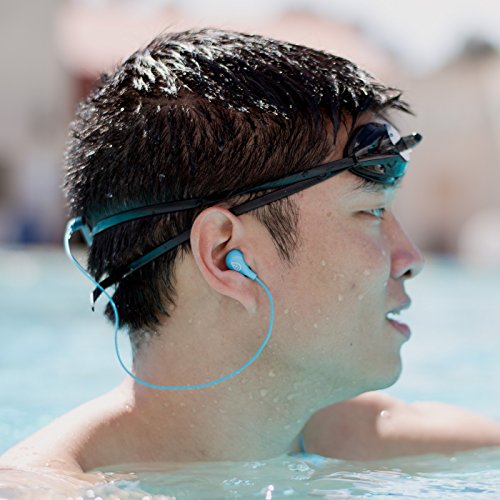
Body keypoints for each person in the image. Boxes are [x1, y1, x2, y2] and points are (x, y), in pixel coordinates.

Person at [2, 28, 500, 492]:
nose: (410, 258)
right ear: (225, 256)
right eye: (370, 212)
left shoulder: (355, 438)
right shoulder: (46, 488)